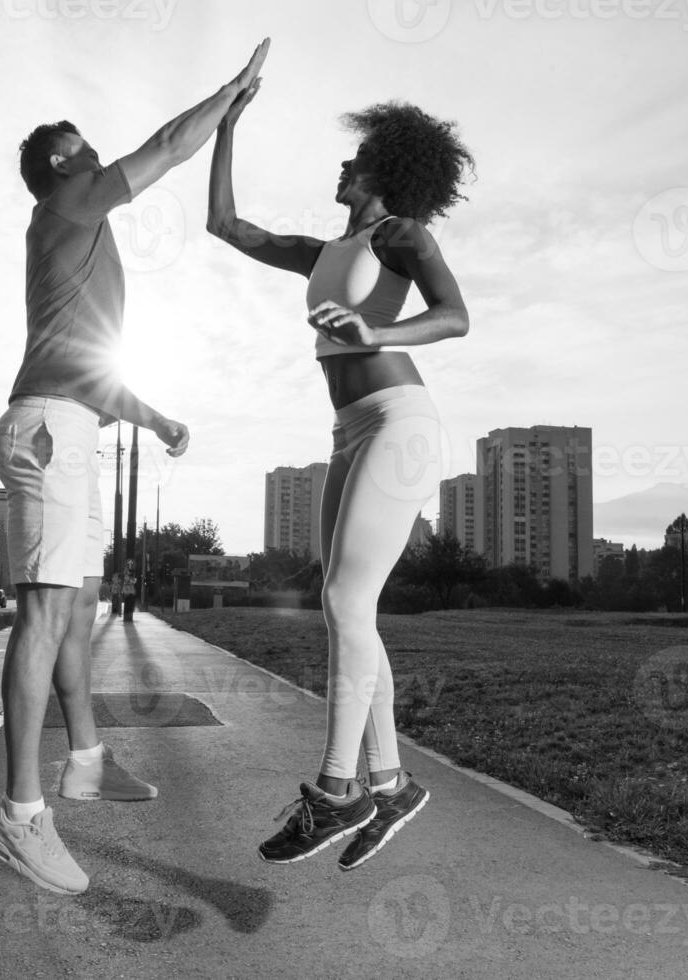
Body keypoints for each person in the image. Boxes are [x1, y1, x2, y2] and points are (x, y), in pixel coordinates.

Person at [0, 38, 271, 896]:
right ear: (65, 161)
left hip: (70, 425)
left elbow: (85, 363)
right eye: (88, 144)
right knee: (42, 617)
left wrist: (152, 415)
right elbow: (172, 143)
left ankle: (86, 762)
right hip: (48, 434)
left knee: (75, 614)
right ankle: (20, 817)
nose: (104, 153)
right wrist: (231, 92)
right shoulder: (70, 198)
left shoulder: (77, 227)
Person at [208, 86, 473, 869]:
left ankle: (334, 793)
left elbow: (454, 314)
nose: (342, 163)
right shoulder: (324, 251)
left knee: (343, 602)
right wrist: (227, 127)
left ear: (384, 169)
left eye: (354, 158)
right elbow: (227, 226)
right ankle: (389, 787)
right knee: (348, 610)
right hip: (349, 431)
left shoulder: (401, 234)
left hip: (401, 421)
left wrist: (375, 328)